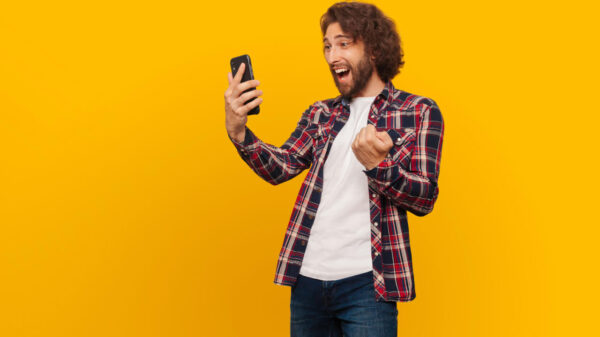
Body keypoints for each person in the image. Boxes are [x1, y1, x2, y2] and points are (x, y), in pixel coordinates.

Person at [224, 2, 444, 336]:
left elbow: (424, 196)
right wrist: (239, 133)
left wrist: (378, 166)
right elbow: (281, 167)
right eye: (327, 46)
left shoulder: (418, 110)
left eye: (343, 44)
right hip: (307, 280)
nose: (331, 56)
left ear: (372, 48)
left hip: (368, 285)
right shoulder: (320, 113)